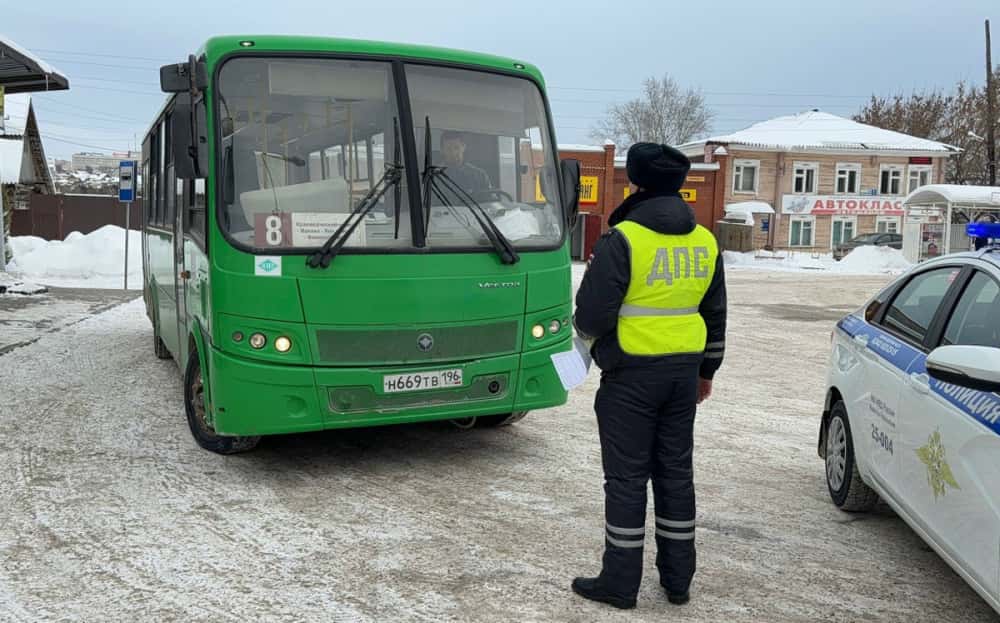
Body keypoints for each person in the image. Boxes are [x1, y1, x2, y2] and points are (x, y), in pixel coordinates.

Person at [571, 142, 727, 610]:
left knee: (626, 479)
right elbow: (715, 313)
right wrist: (706, 371)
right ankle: (678, 581)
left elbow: (592, 316)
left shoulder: (624, 239)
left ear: (635, 184)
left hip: (631, 377)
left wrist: (597, 344)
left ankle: (619, 583)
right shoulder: (705, 241)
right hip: (682, 376)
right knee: (676, 475)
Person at [439, 131, 492, 195]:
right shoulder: (433, 176)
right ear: (442, 150)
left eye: (456, 147)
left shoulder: (480, 175)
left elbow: (489, 201)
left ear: (463, 147)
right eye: (448, 148)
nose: (453, 153)